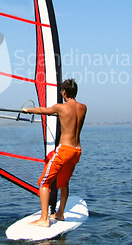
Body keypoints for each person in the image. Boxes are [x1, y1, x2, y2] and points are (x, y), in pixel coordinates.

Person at [23, 79, 87, 227]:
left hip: (64, 150)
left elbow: (42, 110)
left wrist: (28, 110)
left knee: (44, 182)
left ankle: (44, 219)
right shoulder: (83, 107)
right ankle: (60, 214)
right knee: (63, 182)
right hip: (77, 151)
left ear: (64, 92)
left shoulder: (60, 107)